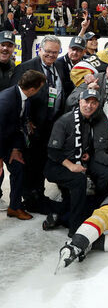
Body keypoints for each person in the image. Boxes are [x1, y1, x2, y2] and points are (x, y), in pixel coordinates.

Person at [44, 89, 108, 236]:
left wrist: (85, 154)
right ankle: (74, 229)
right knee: (79, 180)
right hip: (56, 165)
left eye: (93, 103)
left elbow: (80, 145)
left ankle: (66, 215)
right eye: (86, 101)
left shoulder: (88, 121)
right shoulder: (65, 121)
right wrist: (71, 166)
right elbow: (52, 151)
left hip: (76, 161)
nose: (89, 105)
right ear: (79, 102)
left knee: (103, 175)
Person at [11, 34, 65, 213]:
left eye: (55, 53)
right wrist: (25, 121)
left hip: (51, 126)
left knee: (41, 162)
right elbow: (16, 99)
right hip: (31, 127)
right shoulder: (26, 68)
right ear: (40, 49)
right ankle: (29, 198)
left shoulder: (58, 66)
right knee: (29, 163)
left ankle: (38, 194)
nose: (51, 55)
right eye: (48, 51)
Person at [0, 70, 46, 220]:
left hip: (8, 141)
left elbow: (17, 124)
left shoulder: (23, 97)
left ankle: (14, 207)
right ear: (32, 89)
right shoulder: (5, 102)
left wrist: (15, 149)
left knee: (19, 168)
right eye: (40, 88)